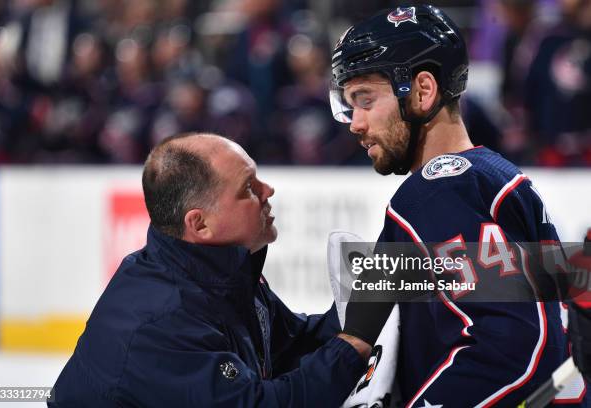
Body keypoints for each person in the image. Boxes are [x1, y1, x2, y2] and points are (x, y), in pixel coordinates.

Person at [330, 5, 587, 407]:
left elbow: (510, 346)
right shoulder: (487, 175)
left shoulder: (439, 190)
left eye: (365, 100)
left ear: (422, 90)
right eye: (349, 103)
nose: (355, 123)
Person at [49, 132, 392, 407]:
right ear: (200, 225)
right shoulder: (159, 323)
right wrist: (351, 345)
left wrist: (369, 300)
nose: (268, 191)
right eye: (248, 188)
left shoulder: (221, 275)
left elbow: (291, 346)